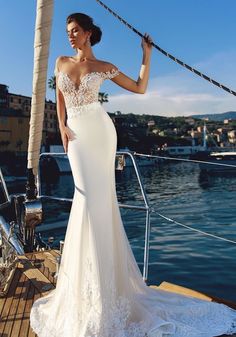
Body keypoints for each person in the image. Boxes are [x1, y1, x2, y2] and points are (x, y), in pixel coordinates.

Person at [30, 12, 236, 337]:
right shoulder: (61, 60)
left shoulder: (104, 67)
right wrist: (62, 128)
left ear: (87, 33)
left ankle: (109, 290)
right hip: (78, 135)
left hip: (101, 132)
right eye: (67, 32)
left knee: (102, 203)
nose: (69, 36)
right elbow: (58, 97)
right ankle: (87, 288)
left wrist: (146, 55)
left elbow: (140, 88)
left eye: (74, 31)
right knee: (84, 201)